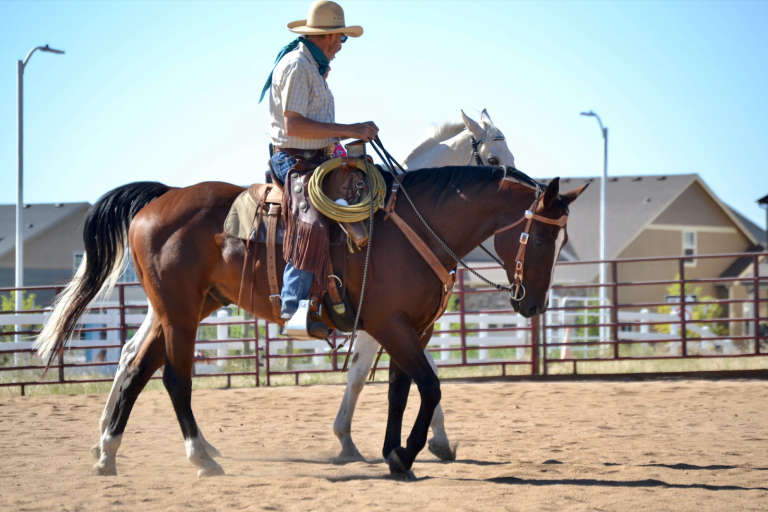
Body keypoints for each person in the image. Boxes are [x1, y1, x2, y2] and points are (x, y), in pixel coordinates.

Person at [260, 0, 379, 331]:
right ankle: (293, 308)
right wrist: (350, 129)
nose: (341, 46)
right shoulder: (299, 66)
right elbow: (294, 125)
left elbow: (315, 124)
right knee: (311, 214)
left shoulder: (314, 67)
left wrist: (342, 147)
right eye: (342, 39)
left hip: (315, 157)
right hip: (293, 158)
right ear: (330, 36)